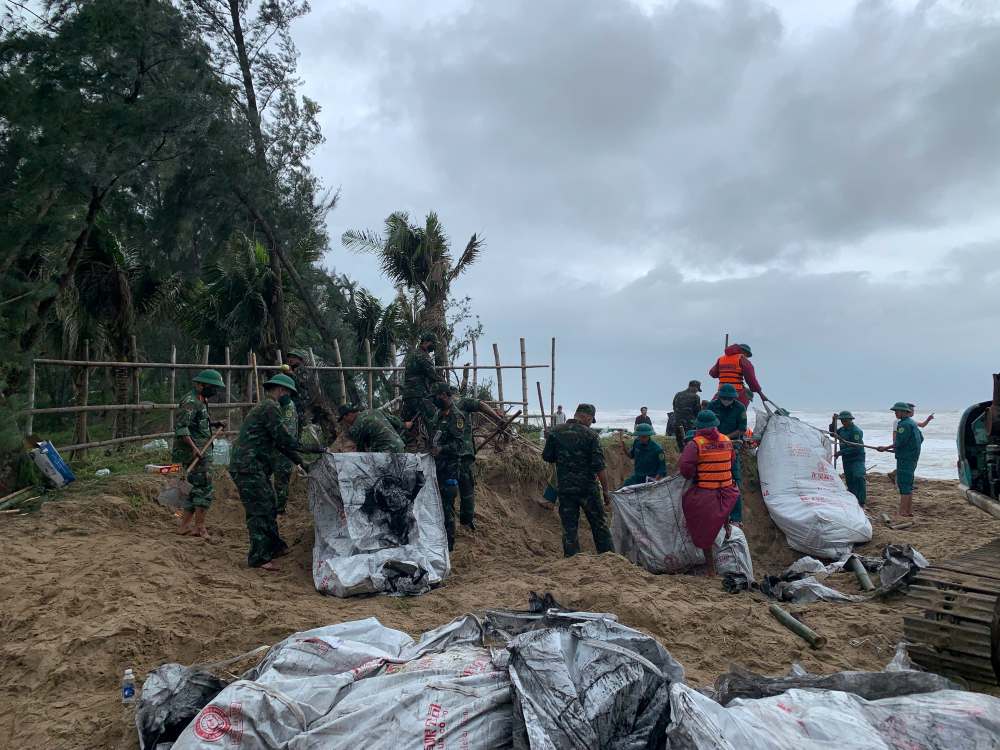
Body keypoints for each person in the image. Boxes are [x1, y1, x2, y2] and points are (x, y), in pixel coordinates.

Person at [229, 374, 323, 571]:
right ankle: (259, 557)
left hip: (255, 466)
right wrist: (311, 448)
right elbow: (284, 439)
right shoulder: (270, 407)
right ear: (281, 390)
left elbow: (280, 445)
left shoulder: (267, 407)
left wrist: (301, 462)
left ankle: (274, 547)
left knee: (269, 504)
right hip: (248, 466)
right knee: (259, 510)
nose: (288, 396)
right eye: (287, 392)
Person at [542, 403, 614, 557]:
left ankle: (572, 560)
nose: (590, 423)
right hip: (587, 488)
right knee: (599, 525)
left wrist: (552, 442)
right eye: (591, 420)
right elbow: (600, 467)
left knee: (569, 527)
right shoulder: (591, 435)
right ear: (587, 417)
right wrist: (606, 492)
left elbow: (547, 456)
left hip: (565, 489)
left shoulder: (556, 432)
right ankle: (608, 557)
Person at [678, 410, 740, 576]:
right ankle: (726, 526)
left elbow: (685, 469)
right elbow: (731, 461)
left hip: (707, 493)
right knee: (721, 517)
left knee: (702, 527)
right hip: (728, 492)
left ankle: (711, 569)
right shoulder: (727, 440)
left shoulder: (695, 444)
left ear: (698, 426)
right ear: (715, 425)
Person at [172, 369, 226, 537]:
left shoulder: (202, 400)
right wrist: (195, 449)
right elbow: (181, 428)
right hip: (196, 454)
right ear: (202, 384)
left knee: (194, 489)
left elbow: (198, 422)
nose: (215, 391)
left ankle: (184, 526)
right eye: (213, 387)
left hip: (202, 450)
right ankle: (200, 527)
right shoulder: (190, 401)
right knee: (204, 488)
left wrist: (215, 423)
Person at [453, 386, 504, 531]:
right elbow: (481, 404)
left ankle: (448, 521)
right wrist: (497, 417)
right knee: (467, 489)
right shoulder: (463, 402)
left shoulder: (442, 405)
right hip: (464, 455)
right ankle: (467, 521)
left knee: (447, 490)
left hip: (447, 455)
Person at [429, 382, 465, 551]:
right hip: (436, 468)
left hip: (449, 469)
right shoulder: (438, 415)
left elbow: (459, 446)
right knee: (435, 507)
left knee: (447, 507)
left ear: (444, 395)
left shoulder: (456, 417)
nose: (435, 399)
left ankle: (449, 546)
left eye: (437, 396)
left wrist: (441, 449)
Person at [707, 383, 747, 523]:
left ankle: (736, 518)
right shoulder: (712, 406)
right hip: (713, 444)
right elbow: (708, 426)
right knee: (710, 478)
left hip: (732, 444)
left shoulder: (740, 408)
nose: (726, 401)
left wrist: (725, 438)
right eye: (724, 398)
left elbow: (742, 429)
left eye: (729, 398)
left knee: (734, 481)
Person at [878, 402, 924, 517]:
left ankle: (903, 512)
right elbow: (921, 438)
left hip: (905, 458)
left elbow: (899, 442)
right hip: (913, 457)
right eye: (895, 411)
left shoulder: (903, 424)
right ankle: (908, 511)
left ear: (904, 412)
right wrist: (909, 448)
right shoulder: (912, 423)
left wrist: (885, 448)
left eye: (897, 411)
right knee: (908, 484)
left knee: (903, 484)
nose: (895, 413)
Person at [401, 332, 446, 449]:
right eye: (433, 344)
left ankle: (405, 447)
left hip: (408, 394)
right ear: (426, 342)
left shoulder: (412, 354)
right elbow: (433, 375)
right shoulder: (423, 356)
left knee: (407, 423)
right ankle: (434, 447)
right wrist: (445, 385)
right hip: (419, 394)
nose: (434, 346)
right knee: (433, 419)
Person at [272, 383, 299, 515]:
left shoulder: (288, 407)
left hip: (284, 450)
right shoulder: (285, 405)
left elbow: (285, 432)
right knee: (279, 479)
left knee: (281, 479)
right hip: (282, 449)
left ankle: (280, 508)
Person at [337, 404, 405, 453]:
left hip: (386, 452)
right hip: (400, 447)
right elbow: (395, 421)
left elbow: (360, 451)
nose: (346, 423)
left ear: (347, 415)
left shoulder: (357, 426)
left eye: (345, 420)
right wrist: (404, 425)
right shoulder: (373, 411)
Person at [832, 410, 866, 506]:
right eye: (842, 420)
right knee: (849, 479)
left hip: (857, 457)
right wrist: (833, 421)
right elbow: (832, 433)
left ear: (850, 420)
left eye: (845, 420)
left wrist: (840, 452)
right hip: (846, 459)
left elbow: (856, 447)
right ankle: (853, 499)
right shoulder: (841, 430)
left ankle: (861, 501)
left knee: (859, 476)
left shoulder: (856, 431)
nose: (844, 422)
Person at [618, 423, 667, 487]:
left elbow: (662, 469)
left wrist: (654, 482)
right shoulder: (637, 442)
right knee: (622, 489)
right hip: (637, 477)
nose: (641, 438)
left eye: (644, 437)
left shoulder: (658, 450)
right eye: (639, 436)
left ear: (649, 436)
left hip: (649, 479)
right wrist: (624, 448)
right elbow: (631, 455)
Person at [672, 380, 702, 451]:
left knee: (680, 445)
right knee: (690, 445)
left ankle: (681, 459)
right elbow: (697, 413)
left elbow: (674, 407)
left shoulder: (678, 394)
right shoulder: (696, 397)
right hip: (689, 425)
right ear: (694, 387)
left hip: (677, 423)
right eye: (697, 389)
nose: (697, 391)